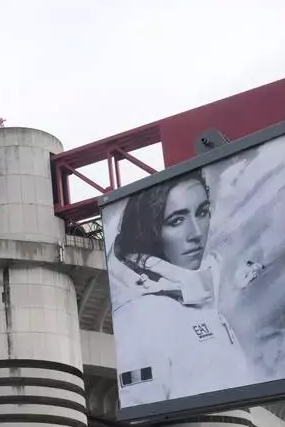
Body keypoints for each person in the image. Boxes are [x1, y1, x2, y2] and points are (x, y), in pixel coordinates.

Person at [108, 169, 254, 405]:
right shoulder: (141, 314)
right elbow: (142, 407)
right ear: (149, 231)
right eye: (176, 221)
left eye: (202, 212)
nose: (196, 233)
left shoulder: (202, 293)